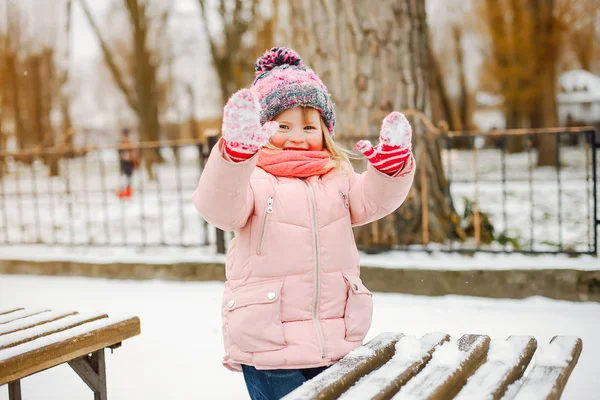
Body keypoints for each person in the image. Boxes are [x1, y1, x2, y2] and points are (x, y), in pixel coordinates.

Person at [192, 47, 415, 400]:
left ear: (325, 131)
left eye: (309, 126)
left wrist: (389, 171)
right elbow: (218, 207)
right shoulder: (254, 178)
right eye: (283, 125)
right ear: (261, 128)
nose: (298, 136)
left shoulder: (336, 175)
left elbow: (372, 201)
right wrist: (234, 159)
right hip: (268, 342)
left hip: (336, 335)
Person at [116, 128, 138, 199]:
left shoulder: (130, 143)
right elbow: (119, 152)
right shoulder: (122, 143)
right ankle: (124, 192)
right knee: (125, 177)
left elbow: (134, 152)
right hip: (124, 162)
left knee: (129, 177)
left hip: (130, 162)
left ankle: (128, 191)